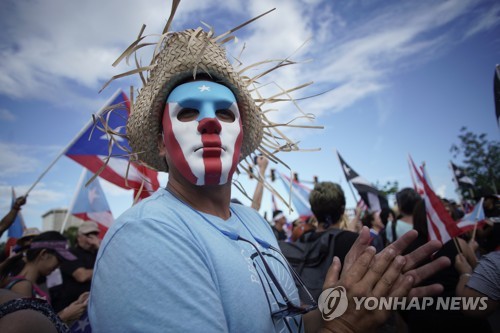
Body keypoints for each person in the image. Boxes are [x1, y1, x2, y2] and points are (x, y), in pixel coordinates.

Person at [89, 4, 450, 332]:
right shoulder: (147, 238)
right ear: (160, 143)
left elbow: (288, 326)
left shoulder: (253, 222)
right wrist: (345, 328)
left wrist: (338, 305)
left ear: (240, 134)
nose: (210, 123)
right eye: (187, 112)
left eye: (224, 112)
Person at [400, 200, 492, 332]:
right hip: (462, 314)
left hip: (423, 318)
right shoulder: (458, 243)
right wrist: (469, 255)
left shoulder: (407, 249)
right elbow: (481, 278)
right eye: (443, 211)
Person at [0, 231, 88, 325]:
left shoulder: (33, 286)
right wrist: (64, 317)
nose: (59, 266)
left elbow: (40, 321)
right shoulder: (22, 286)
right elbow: (27, 328)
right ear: (44, 254)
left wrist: (69, 310)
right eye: (59, 259)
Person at [49, 221, 101, 313]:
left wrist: (99, 246)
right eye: (88, 235)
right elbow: (82, 276)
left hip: (93, 306)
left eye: (95, 235)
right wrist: (104, 271)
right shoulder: (70, 253)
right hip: (70, 307)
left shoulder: (98, 253)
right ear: (78, 237)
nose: (91, 239)